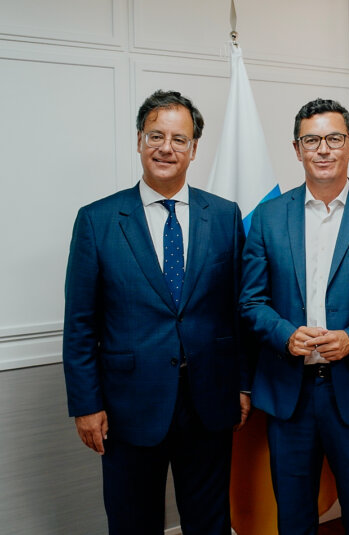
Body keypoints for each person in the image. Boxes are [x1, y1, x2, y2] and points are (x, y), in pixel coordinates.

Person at [62, 90, 250, 535]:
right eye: (156, 136)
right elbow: (81, 325)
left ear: (194, 149)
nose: (167, 147)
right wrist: (86, 405)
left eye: (179, 139)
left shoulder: (224, 216)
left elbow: (238, 312)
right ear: (140, 141)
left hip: (208, 402)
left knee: (209, 523)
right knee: (133, 523)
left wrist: (243, 385)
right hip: (130, 406)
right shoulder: (97, 220)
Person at [239, 98, 349, 535]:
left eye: (334, 139)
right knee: (294, 519)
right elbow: (251, 300)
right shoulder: (269, 217)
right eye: (311, 140)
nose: (323, 149)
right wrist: (283, 335)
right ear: (296, 149)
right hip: (288, 395)